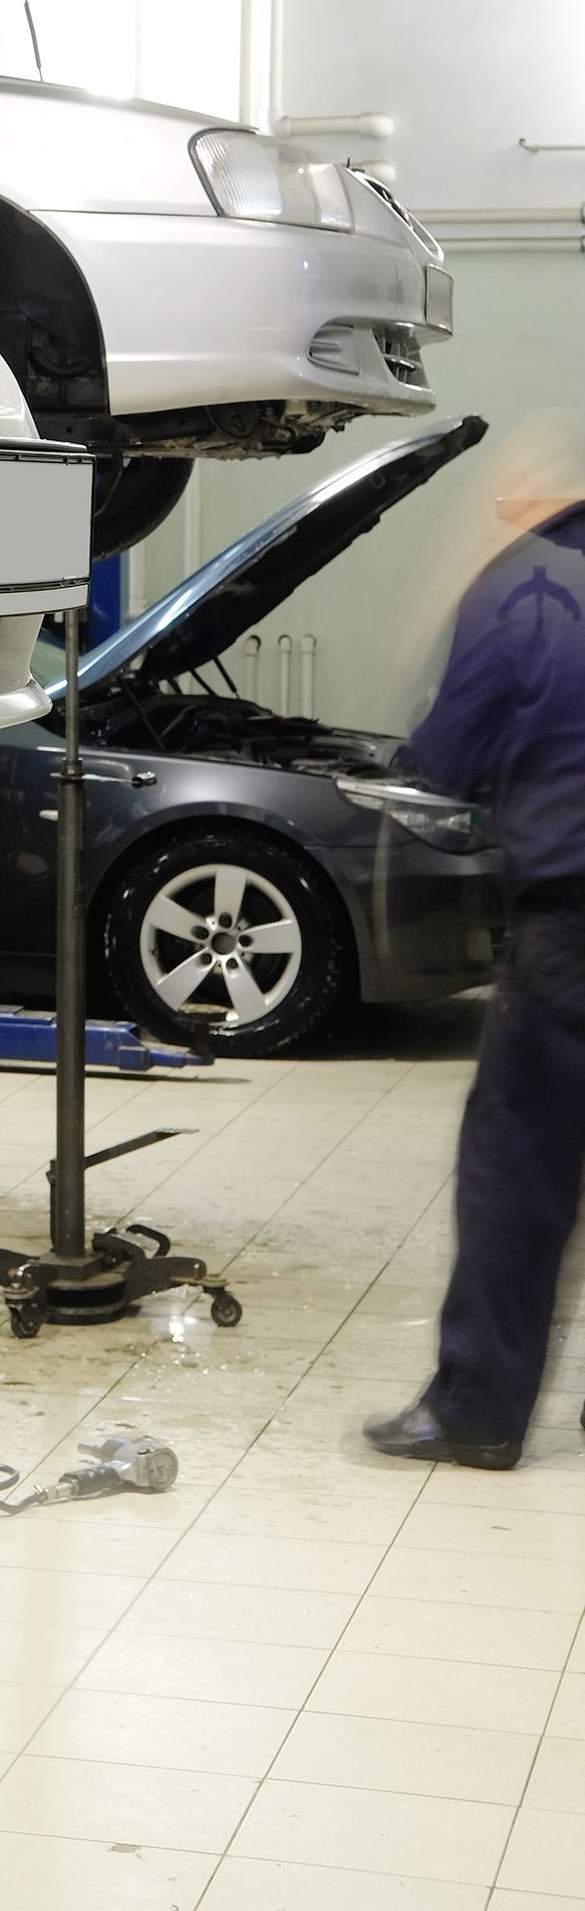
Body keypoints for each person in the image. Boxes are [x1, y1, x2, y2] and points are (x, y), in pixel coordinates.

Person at [367, 425, 585, 1469]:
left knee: (519, 1166)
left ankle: (477, 1411)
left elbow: (448, 758)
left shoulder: (520, 589)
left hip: (570, 928)